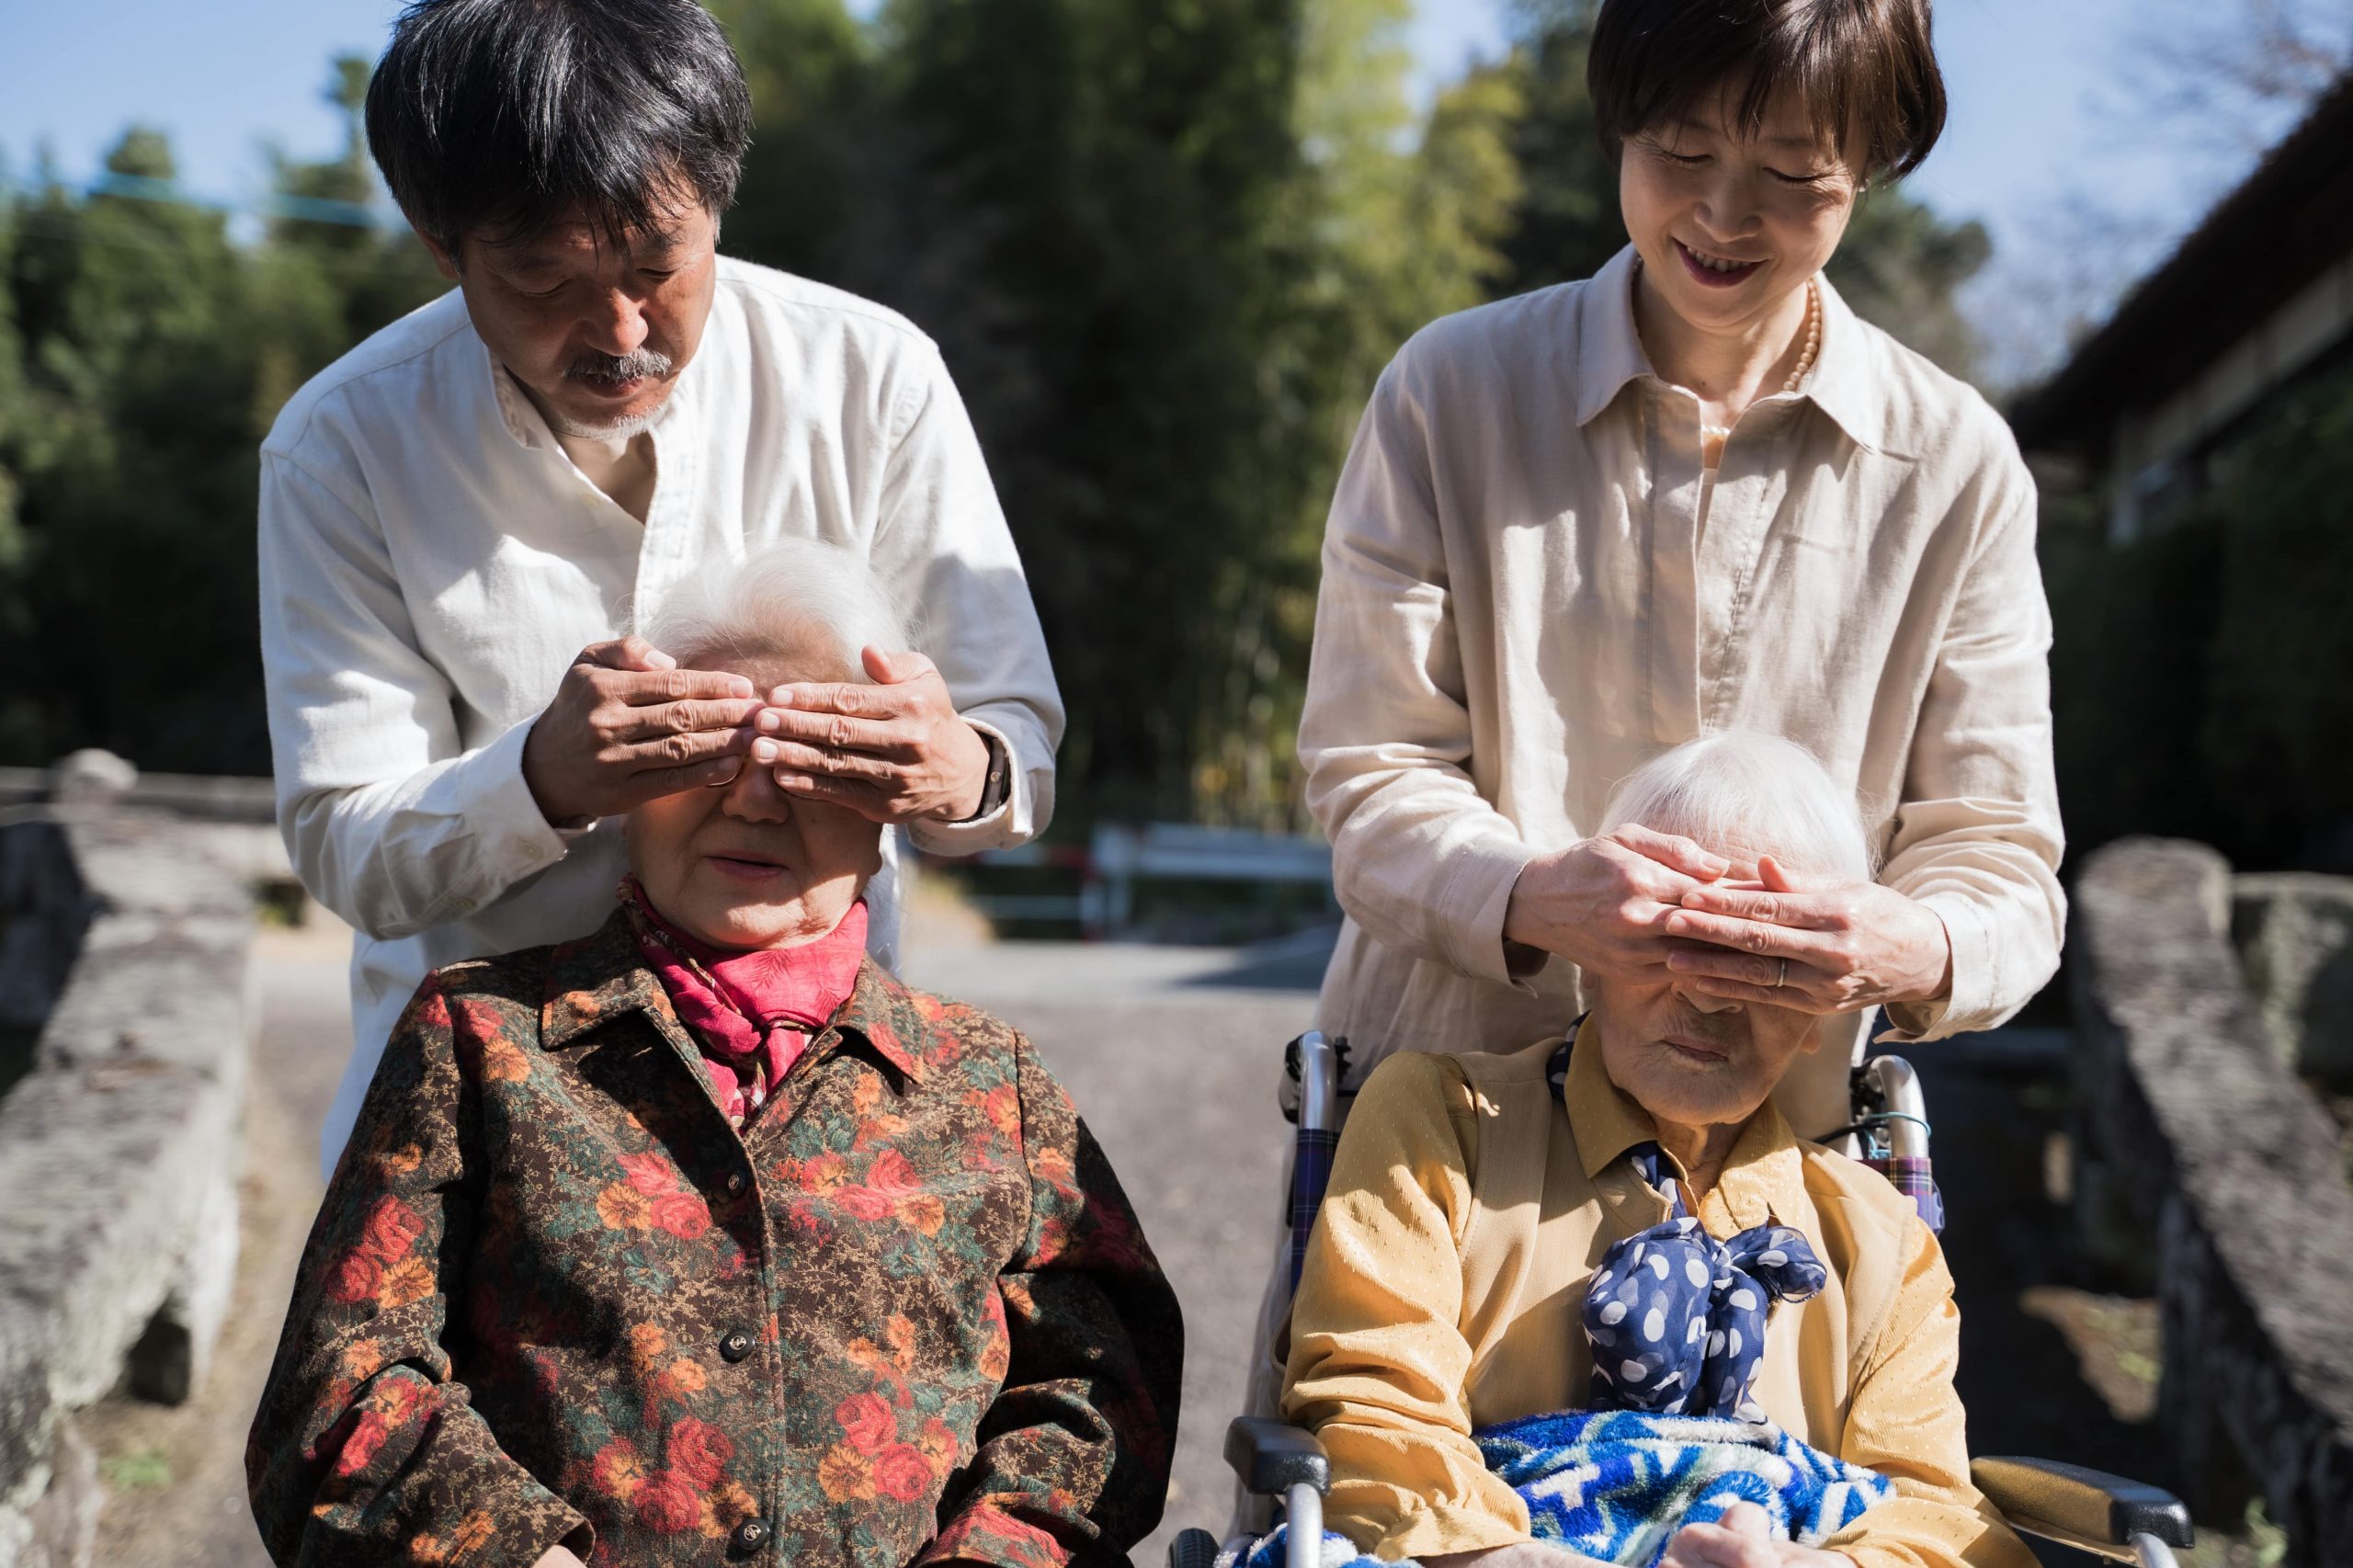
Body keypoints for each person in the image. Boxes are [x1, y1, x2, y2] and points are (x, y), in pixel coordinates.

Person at [247, 540, 1178, 1568]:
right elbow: (343, 1388)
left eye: (816, 760)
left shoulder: (988, 1082)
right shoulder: (480, 1043)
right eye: (709, 755)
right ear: (629, 782)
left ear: (888, 803)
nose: (755, 800)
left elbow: (1101, 1392)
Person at [260, 0, 1062, 1176]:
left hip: (819, 1117)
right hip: (482, 1143)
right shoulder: (344, 446)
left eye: (658, 264)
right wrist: (540, 779)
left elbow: (1016, 741)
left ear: (717, 202)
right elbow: (344, 838)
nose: (621, 328)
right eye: (543, 280)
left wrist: (959, 770)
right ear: (441, 245)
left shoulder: (869, 379)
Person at [1297, 0, 2062, 1140]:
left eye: (1794, 173)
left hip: (1776, 1173)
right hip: (1448, 1126)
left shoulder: (1953, 465)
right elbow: (1369, 771)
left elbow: (1998, 852)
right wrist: (1532, 895)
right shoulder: (1451, 391)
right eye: (1681, 152)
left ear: (1869, 167)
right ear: (1619, 127)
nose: (1720, 213)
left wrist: (1907, 941)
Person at [1279, 733, 2030, 1568]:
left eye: (1766, 958)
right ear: (1591, 956)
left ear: (1829, 1003)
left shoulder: (1881, 1240)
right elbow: (1375, 1427)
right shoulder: (1443, 1124)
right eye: (1675, 937)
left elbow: (1935, 1518)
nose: (1709, 992)